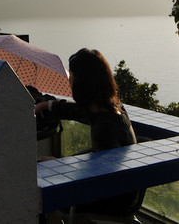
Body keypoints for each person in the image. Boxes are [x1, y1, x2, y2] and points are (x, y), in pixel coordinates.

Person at [34, 48, 140, 216]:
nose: (69, 82)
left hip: (110, 202)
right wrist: (47, 105)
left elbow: (97, 181)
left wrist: (59, 165)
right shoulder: (114, 109)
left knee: (38, 193)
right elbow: (78, 110)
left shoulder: (104, 128)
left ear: (82, 84)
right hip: (127, 195)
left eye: (71, 77)